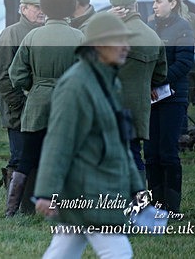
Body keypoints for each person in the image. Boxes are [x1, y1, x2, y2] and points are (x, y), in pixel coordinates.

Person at [34, 13, 144, 259]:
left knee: (62, 252)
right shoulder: (75, 85)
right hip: (89, 191)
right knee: (119, 253)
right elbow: (59, 142)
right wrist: (46, 192)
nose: (127, 47)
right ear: (98, 45)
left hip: (97, 186)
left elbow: (118, 141)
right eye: (119, 41)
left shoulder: (109, 82)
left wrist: (136, 186)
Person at [6, 0, 84, 216]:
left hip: (37, 103)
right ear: (69, 8)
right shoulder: (79, 36)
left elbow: (15, 74)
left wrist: (37, 86)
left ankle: (11, 210)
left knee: (27, 159)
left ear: (47, 7)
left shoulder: (33, 35)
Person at [108, 0, 168, 179]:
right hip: (140, 106)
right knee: (134, 153)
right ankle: (139, 203)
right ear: (135, 5)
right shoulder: (152, 36)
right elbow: (160, 75)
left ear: (115, 8)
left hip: (112, 105)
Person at [146, 0, 194, 212]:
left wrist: (158, 80)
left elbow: (184, 63)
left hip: (172, 98)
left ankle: (172, 206)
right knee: (151, 152)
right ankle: (155, 203)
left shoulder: (183, 27)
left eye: (159, 1)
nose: (154, 5)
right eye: (154, 1)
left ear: (173, 3)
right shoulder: (149, 26)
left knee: (167, 151)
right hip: (151, 98)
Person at [0, 0, 44, 190]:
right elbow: (2, 76)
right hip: (18, 110)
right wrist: (19, 105)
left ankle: (32, 196)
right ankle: (14, 200)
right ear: (23, 9)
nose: (41, 11)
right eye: (36, 7)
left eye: (44, 7)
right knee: (19, 156)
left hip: (40, 108)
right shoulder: (11, 34)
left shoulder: (45, 32)